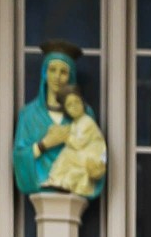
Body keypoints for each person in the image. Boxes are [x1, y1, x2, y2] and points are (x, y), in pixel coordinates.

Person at [11, 47, 108, 200]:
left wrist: (97, 165)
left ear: (70, 77)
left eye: (63, 72)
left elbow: (96, 147)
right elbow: (19, 156)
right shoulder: (29, 115)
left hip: (76, 179)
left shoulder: (84, 114)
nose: (57, 77)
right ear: (44, 73)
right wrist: (44, 144)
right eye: (52, 70)